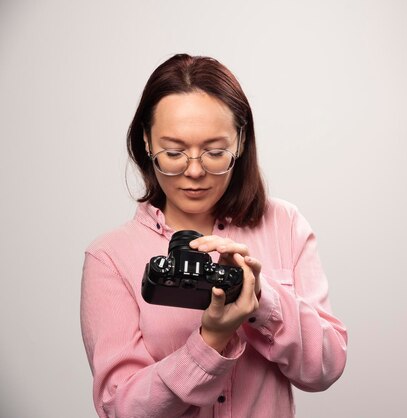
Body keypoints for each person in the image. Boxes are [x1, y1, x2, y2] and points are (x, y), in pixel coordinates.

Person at [80, 54, 348, 418]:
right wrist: (210, 341)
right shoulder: (110, 257)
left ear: (239, 141)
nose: (194, 171)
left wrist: (261, 298)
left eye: (215, 151)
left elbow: (325, 368)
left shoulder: (284, 224)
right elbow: (122, 409)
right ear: (146, 140)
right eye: (173, 152)